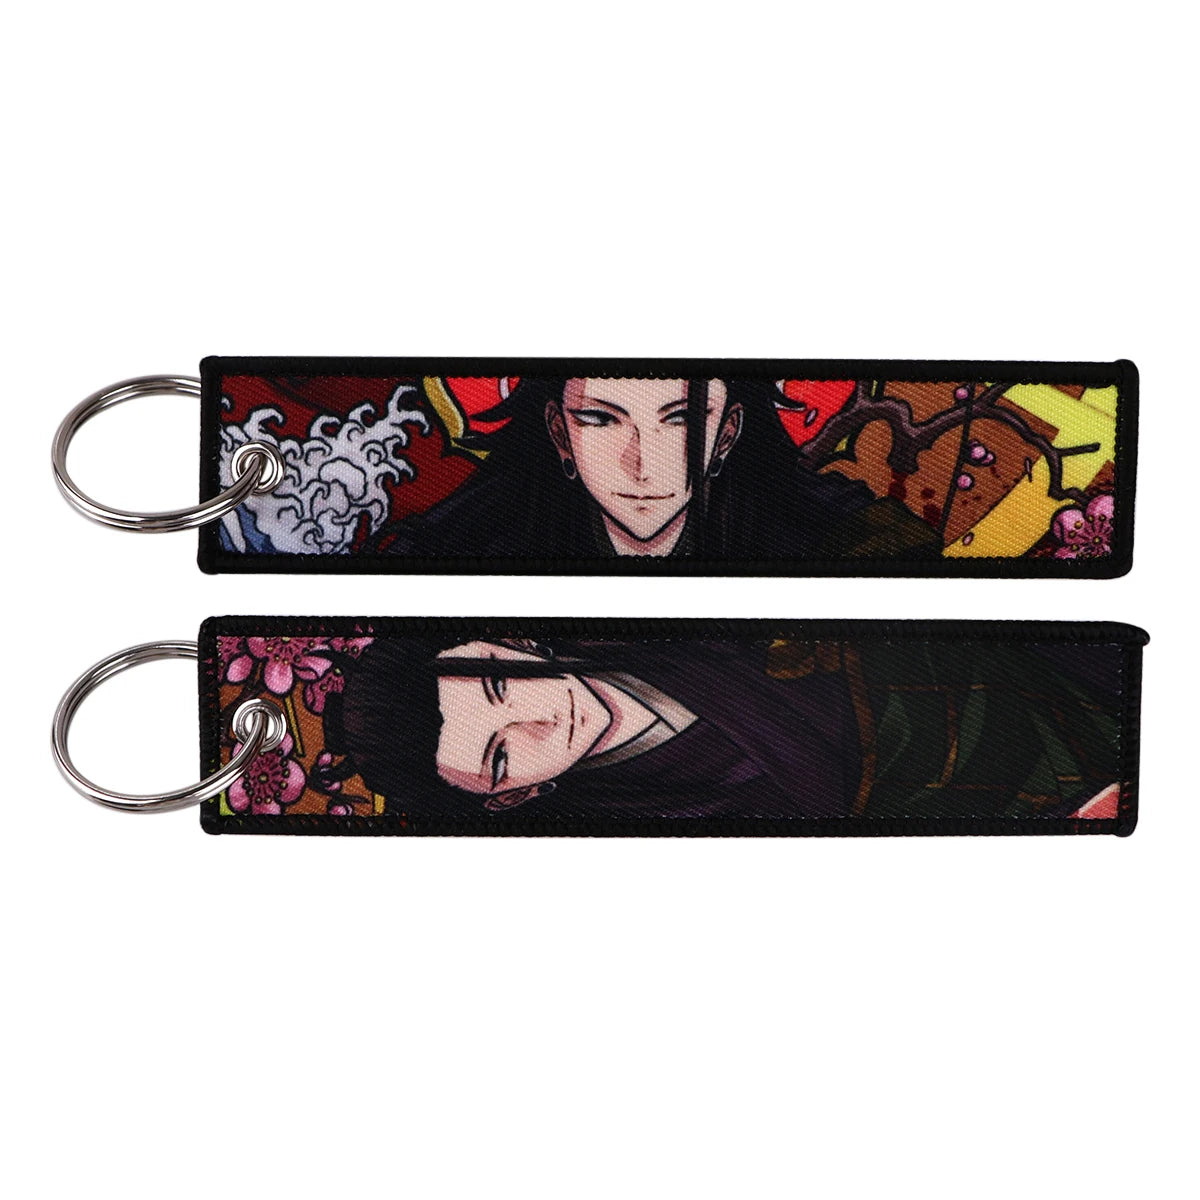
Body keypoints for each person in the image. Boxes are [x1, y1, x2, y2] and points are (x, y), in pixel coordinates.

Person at [318, 635, 1123, 824]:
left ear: (513, 642)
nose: (539, 717)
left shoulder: (669, 636)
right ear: (509, 799)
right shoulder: (649, 818)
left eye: (504, 682)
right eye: (500, 756)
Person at [368, 377, 940, 560]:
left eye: (681, 419)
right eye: (600, 420)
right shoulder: (468, 549)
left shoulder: (839, 543)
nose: (641, 463)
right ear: (559, 433)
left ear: (728, 434)